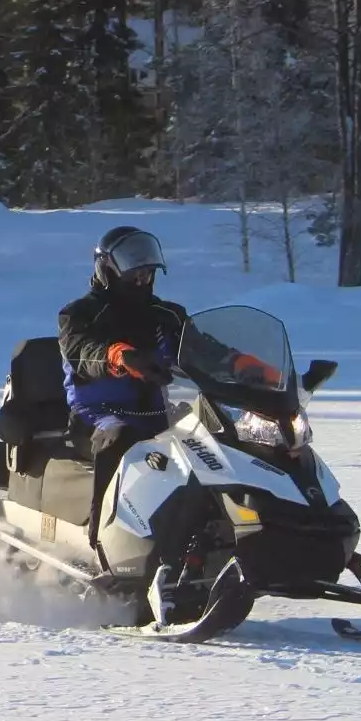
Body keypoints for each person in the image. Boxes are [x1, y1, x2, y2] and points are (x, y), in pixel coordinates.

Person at [56, 227, 281, 534]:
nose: (142, 281)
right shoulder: (80, 314)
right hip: (100, 412)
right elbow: (81, 351)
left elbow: (202, 349)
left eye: (148, 274)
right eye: (135, 274)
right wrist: (120, 356)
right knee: (119, 439)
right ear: (107, 268)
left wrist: (242, 364)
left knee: (225, 441)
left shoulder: (167, 315)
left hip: (165, 411)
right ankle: (102, 538)